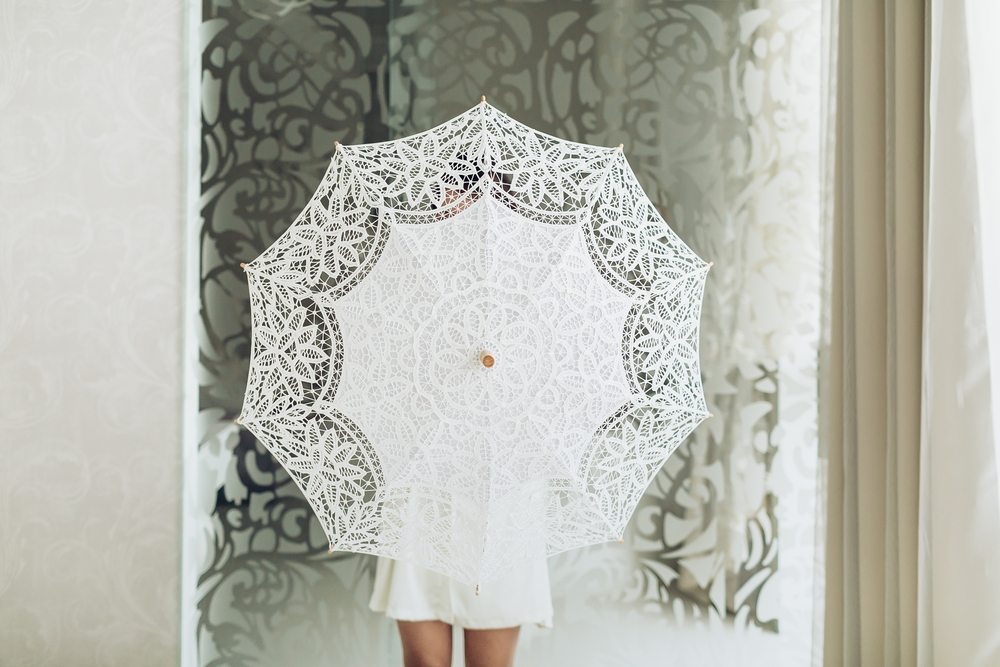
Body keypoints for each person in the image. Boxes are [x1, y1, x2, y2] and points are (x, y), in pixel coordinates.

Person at [368, 157, 553, 667]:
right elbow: (384, 375)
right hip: (424, 487)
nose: (459, 210)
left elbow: (550, 390)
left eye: (472, 198)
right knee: (424, 662)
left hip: (502, 493)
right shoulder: (410, 278)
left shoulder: (534, 290)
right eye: (450, 198)